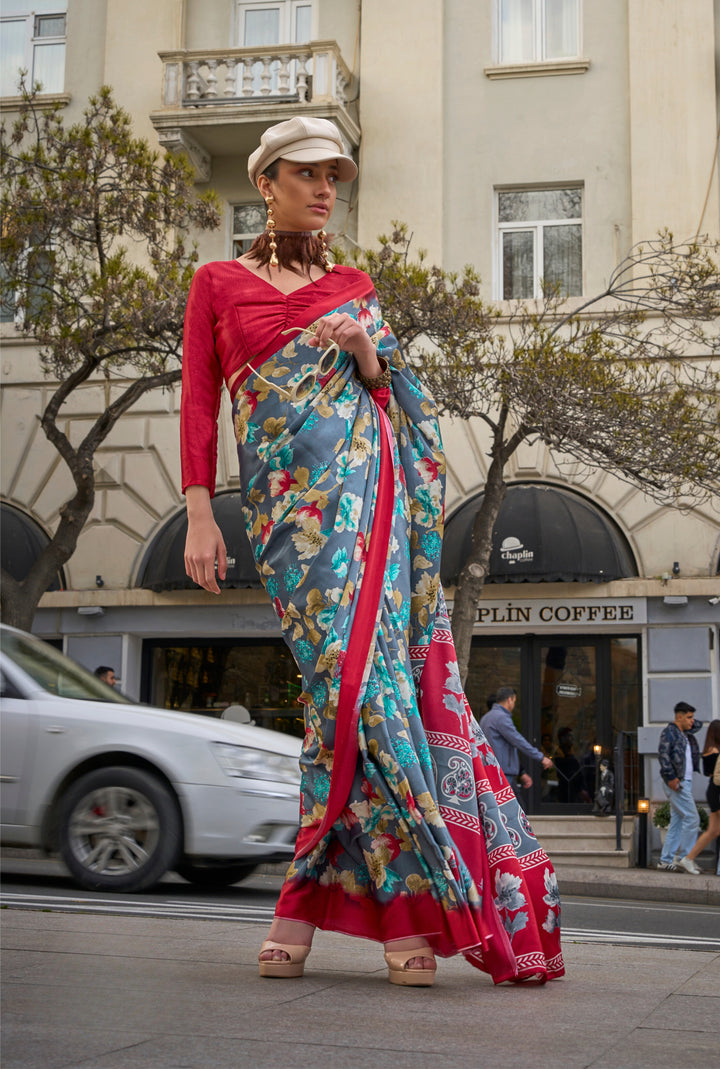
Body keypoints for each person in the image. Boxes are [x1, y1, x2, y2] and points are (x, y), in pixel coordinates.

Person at [181, 116, 564, 987]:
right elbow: (199, 405)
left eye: (335, 176)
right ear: (267, 180)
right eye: (308, 173)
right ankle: (398, 904)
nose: (326, 189)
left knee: (361, 693)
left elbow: (402, 402)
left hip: (369, 512)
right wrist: (201, 512)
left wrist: (364, 351)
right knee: (341, 692)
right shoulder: (216, 282)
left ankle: (356, 914)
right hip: (287, 523)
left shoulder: (355, 285)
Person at [657, 700, 703, 872]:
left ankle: (665, 860)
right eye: (689, 717)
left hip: (685, 781)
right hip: (677, 781)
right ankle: (685, 858)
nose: (693, 721)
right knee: (693, 819)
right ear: (679, 717)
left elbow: (697, 725)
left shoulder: (685, 733)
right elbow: (663, 755)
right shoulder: (669, 732)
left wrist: (689, 720)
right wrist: (671, 778)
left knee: (677, 822)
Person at [480, 687, 553, 795]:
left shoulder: (486, 718)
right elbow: (518, 741)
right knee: (507, 808)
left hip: (492, 769)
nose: (514, 705)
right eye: (514, 701)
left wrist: (521, 772)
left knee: (513, 807)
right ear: (509, 699)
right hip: (503, 773)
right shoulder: (501, 717)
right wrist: (541, 757)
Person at [678, 719, 720, 876]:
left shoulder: (708, 750)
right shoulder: (717, 752)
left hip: (713, 792)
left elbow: (708, 773)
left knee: (713, 831)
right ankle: (688, 859)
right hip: (717, 792)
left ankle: (689, 858)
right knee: (713, 831)